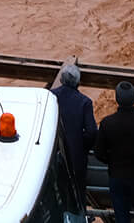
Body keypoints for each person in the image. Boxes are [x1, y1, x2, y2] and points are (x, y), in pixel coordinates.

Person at [96, 81, 134, 223]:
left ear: (117, 98)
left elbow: (99, 152)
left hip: (117, 176)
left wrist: (112, 161)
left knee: (121, 217)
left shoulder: (107, 123)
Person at [50, 63, 97, 197]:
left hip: (51, 157)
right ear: (78, 82)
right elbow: (92, 132)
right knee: (77, 196)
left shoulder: (50, 96)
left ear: (61, 80)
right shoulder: (84, 102)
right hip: (75, 158)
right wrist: (82, 146)